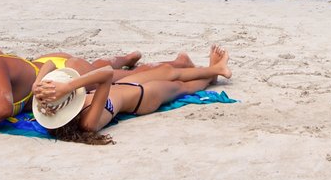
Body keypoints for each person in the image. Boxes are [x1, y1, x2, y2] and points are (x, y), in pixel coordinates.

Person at [0, 44, 188, 137]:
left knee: (124, 78)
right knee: (105, 70)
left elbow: (0, 110)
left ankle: (177, 64)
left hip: (56, 71)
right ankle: (124, 58)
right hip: (45, 66)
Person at [32, 46, 232, 144]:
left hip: (123, 86)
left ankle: (214, 71)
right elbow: (106, 74)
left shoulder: (50, 108)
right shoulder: (87, 124)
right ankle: (212, 73)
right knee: (181, 87)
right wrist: (69, 87)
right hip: (141, 98)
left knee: (169, 71)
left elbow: (49, 64)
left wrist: (37, 85)